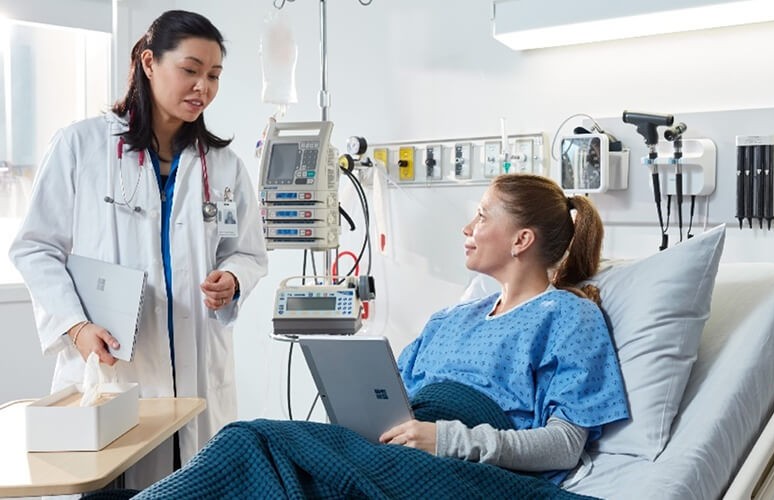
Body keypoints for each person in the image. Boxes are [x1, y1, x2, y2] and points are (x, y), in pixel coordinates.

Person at [130, 173, 628, 499]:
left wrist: (448, 440)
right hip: (393, 447)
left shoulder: (567, 316)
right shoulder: (451, 318)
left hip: (468, 469)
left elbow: (565, 445)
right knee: (268, 459)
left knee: (251, 440)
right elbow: (396, 400)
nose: (467, 227)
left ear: (522, 239)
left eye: (482, 214)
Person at [9, 10, 268, 489]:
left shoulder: (224, 165)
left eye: (213, 76)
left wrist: (232, 280)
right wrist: (75, 324)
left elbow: (248, 253)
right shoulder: (80, 146)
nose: (203, 87)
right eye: (190, 70)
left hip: (196, 376)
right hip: (113, 367)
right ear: (149, 63)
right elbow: (35, 248)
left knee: (196, 481)